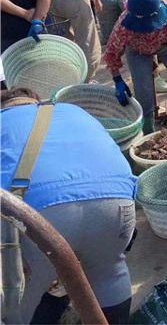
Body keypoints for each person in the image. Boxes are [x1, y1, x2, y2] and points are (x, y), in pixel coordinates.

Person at [1, 88, 137, 324]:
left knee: (21, 299)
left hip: (39, 216)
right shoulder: (72, 110)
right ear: (36, 101)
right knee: (110, 270)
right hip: (116, 203)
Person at [103, 0, 167, 134]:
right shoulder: (123, 26)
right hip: (138, 51)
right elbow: (112, 53)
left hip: (166, 45)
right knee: (143, 93)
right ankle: (148, 133)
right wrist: (117, 79)